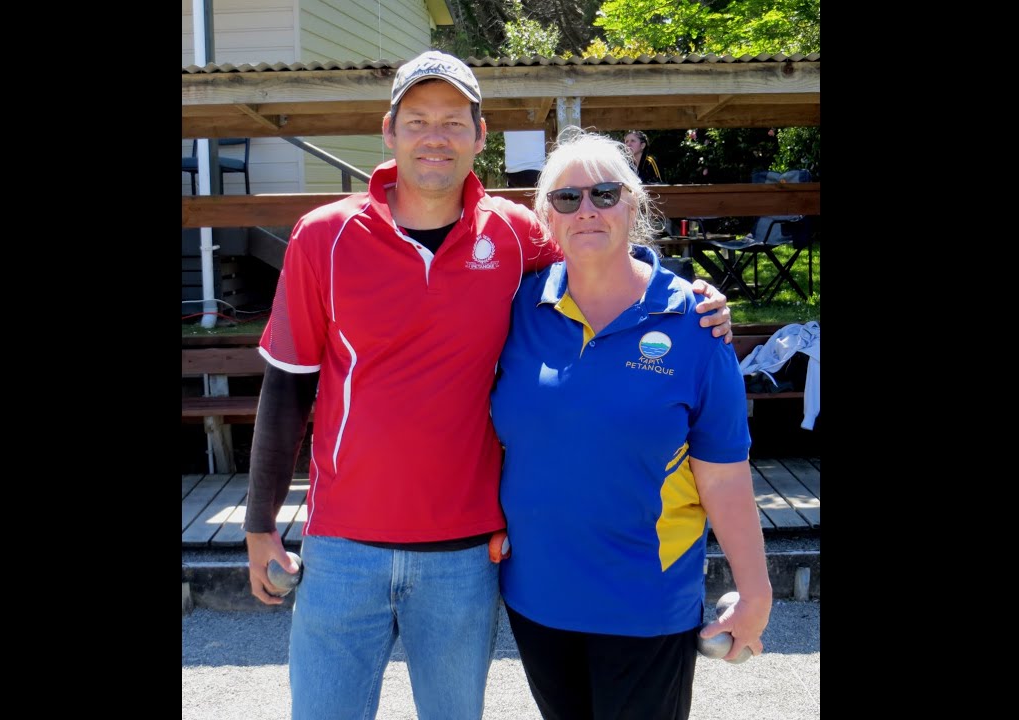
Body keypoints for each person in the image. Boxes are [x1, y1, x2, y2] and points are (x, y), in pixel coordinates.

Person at [242, 51, 734, 720]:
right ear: (389, 131)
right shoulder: (323, 237)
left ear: (480, 134)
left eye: (453, 120)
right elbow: (288, 387)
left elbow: (602, 247)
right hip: (342, 546)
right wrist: (259, 524)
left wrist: (687, 295)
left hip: (464, 557)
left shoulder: (515, 234)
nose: (435, 136)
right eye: (418, 120)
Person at [490, 128, 771, 720]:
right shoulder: (517, 308)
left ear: (635, 205)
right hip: (537, 600)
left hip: (646, 603)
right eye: (566, 199)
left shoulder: (696, 322)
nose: (586, 210)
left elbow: (724, 475)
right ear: (545, 216)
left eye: (604, 193)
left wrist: (755, 590)